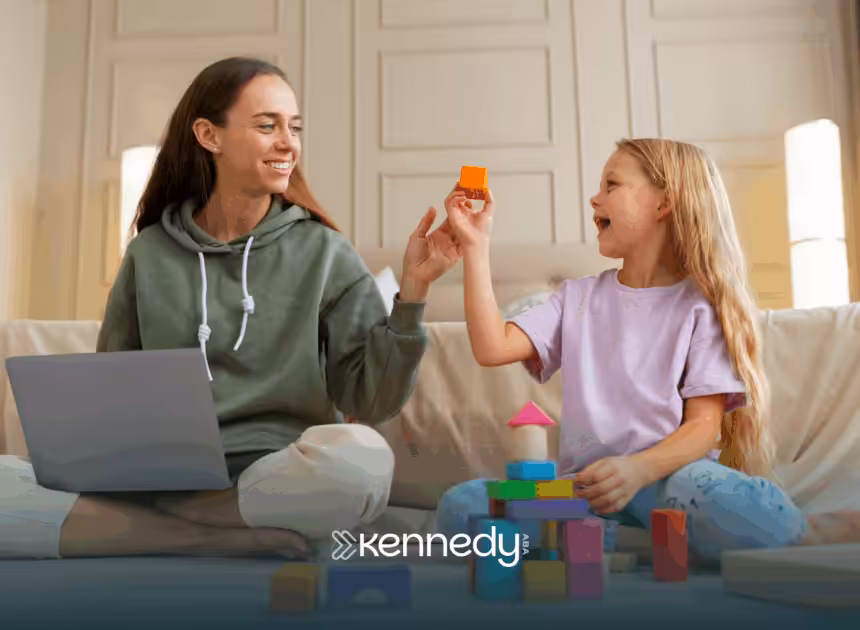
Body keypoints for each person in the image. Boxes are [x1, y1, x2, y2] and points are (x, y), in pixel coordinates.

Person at [0, 57, 462, 560]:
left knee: (362, 462)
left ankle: (153, 525)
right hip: (154, 475)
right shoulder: (148, 253)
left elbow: (373, 401)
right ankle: (202, 535)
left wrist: (413, 292)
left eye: (295, 127)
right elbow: (113, 385)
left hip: (274, 473)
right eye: (268, 126)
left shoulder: (325, 253)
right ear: (209, 135)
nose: (289, 142)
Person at [435, 137, 860, 563]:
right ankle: (639, 544)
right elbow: (492, 347)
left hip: (666, 481)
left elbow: (704, 428)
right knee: (460, 509)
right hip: (582, 490)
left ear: (663, 204)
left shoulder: (698, 309)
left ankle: (788, 531)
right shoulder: (575, 299)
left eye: (612, 185)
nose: (593, 197)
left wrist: (637, 471)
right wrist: (475, 245)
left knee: (742, 511)